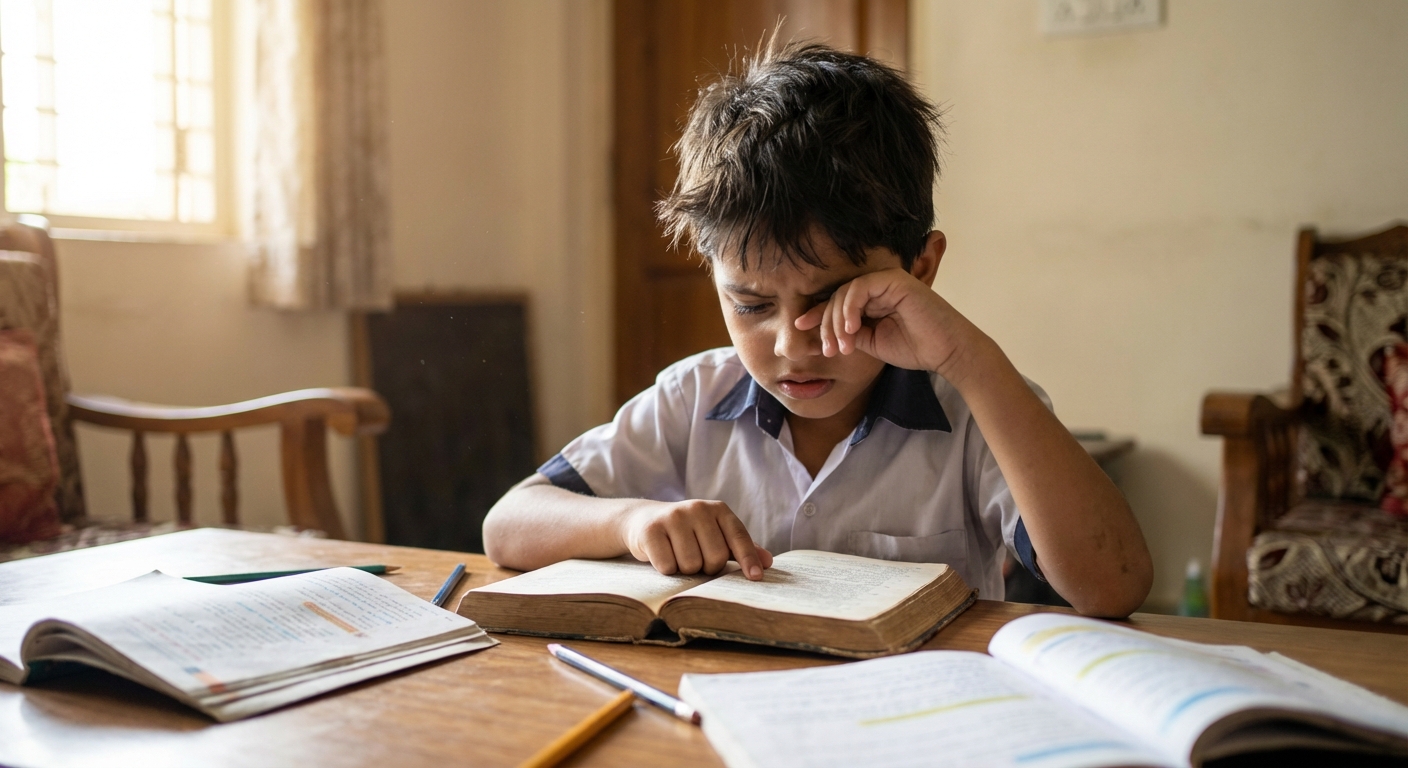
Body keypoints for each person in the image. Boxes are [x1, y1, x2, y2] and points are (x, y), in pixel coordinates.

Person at [483, 41, 1152, 617]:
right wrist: (630, 521)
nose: (790, 345)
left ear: (920, 269)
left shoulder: (978, 408)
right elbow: (508, 524)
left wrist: (969, 358)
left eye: (833, 300)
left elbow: (1113, 586)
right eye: (750, 305)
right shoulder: (692, 400)